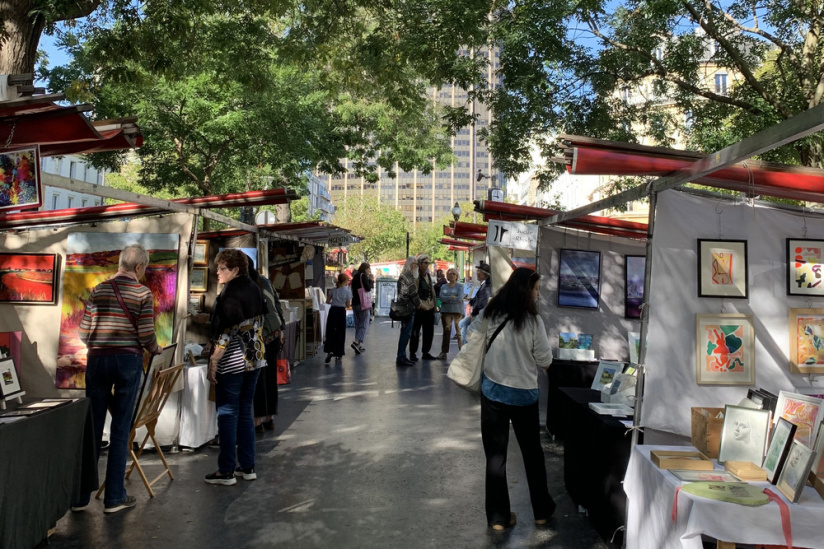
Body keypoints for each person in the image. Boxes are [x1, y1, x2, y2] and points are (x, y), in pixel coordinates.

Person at [73, 243, 163, 514]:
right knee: (121, 429)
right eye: (144, 268)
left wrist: (100, 344)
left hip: (98, 361)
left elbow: (83, 333)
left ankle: (79, 498)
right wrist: (155, 349)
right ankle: (114, 498)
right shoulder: (142, 293)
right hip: (127, 362)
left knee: (92, 428)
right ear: (139, 266)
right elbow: (146, 335)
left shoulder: (99, 289)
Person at [467, 267, 555, 531]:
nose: (537, 294)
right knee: (533, 454)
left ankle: (498, 518)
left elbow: (472, 334)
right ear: (525, 291)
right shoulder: (533, 322)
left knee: (496, 457)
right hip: (524, 395)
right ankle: (541, 512)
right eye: (536, 289)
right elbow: (545, 360)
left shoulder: (491, 312)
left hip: (493, 392)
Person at [205, 248, 268, 485]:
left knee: (228, 414)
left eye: (222, 268)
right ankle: (248, 466)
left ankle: (226, 470)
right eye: (217, 268)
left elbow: (227, 331)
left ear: (235, 270)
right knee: (244, 413)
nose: (217, 272)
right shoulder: (254, 287)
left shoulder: (231, 293)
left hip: (234, 361)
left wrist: (213, 361)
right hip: (255, 358)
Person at [247, 256, 285, 433]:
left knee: (258, 378)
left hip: (259, 335)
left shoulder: (247, 286)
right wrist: (281, 328)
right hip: (274, 332)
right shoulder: (265, 281)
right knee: (269, 377)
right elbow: (277, 305)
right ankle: (270, 417)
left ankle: (258, 419)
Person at [409, 253, 438, 361]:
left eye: (428, 263)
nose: (427, 265)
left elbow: (432, 291)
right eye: (425, 263)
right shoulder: (416, 276)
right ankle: (413, 352)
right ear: (420, 264)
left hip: (429, 307)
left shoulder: (428, 275)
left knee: (429, 331)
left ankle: (426, 352)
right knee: (416, 331)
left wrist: (434, 305)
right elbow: (414, 293)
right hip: (420, 308)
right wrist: (420, 305)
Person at [395, 256, 421, 367]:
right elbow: (412, 292)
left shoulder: (404, 275)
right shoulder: (408, 276)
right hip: (407, 309)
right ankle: (401, 357)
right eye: (415, 264)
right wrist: (418, 303)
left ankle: (402, 356)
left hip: (405, 308)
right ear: (411, 265)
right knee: (406, 334)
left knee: (405, 333)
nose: (417, 266)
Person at [460, 261, 491, 344]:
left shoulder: (487, 286)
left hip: (479, 315)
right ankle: (464, 346)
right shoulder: (484, 284)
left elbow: (482, 303)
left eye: (478, 272)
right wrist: (470, 303)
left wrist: (473, 314)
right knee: (462, 325)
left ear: (482, 274)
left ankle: (465, 346)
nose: (476, 273)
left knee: (463, 326)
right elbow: (476, 298)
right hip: (477, 314)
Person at [324, 273, 352, 363]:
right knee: (340, 332)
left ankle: (330, 350)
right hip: (341, 312)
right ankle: (338, 353)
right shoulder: (348, 292)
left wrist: (334, 302)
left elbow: (327, 301)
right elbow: (348, 305)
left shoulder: (333, 290)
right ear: (345, 281)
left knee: (330, 331)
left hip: (333, 311)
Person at [437, 268, 464, 359]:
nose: (452, 275)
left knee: (459, 332)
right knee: (446, 331)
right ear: (447, 276)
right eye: (450, 274)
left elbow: (460, 298)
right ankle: (444, 352)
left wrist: (447, 299)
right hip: (446, 311)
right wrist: (451, 297)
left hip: (457, 311)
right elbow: (441, 298)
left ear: (456, 276)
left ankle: (462, 352)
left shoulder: (460, 286)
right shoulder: (444, 286)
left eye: (453, 274)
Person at [350, 262, 373, 354]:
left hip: (355, 302)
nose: (369, 270)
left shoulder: (356, 276)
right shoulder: (363, 276)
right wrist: (371, 280)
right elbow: (368, 288)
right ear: (365, 269)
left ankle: (358, 345)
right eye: (368, 269)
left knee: (358, 323)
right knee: (364, 323)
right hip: (363, 303)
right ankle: (356, 342)